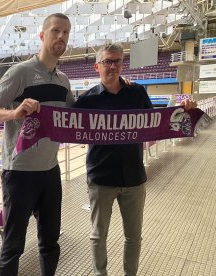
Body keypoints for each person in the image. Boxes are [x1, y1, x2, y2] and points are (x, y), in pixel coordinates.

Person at [72, 43, 197, 276]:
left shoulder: (137, 92)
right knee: (98, 236)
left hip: (134, 178)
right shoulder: (87, 100)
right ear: (97, 66)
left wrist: (181, 111)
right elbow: (64, 123)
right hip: (101, 178)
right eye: (108, 61)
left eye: (118, 61)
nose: (113, 66)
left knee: (133, 236)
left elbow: (156, 124)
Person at [0, 13, 74, 276]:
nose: (61, 37)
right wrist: (13, 113)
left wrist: (117, 85)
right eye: (56, 31)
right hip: (19, 173)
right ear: (42, 35)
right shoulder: (20, 72)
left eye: (66, 32)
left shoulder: (63, 81)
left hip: (50, 171)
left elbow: (78, 118)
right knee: (13, 246)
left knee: (50, 242)